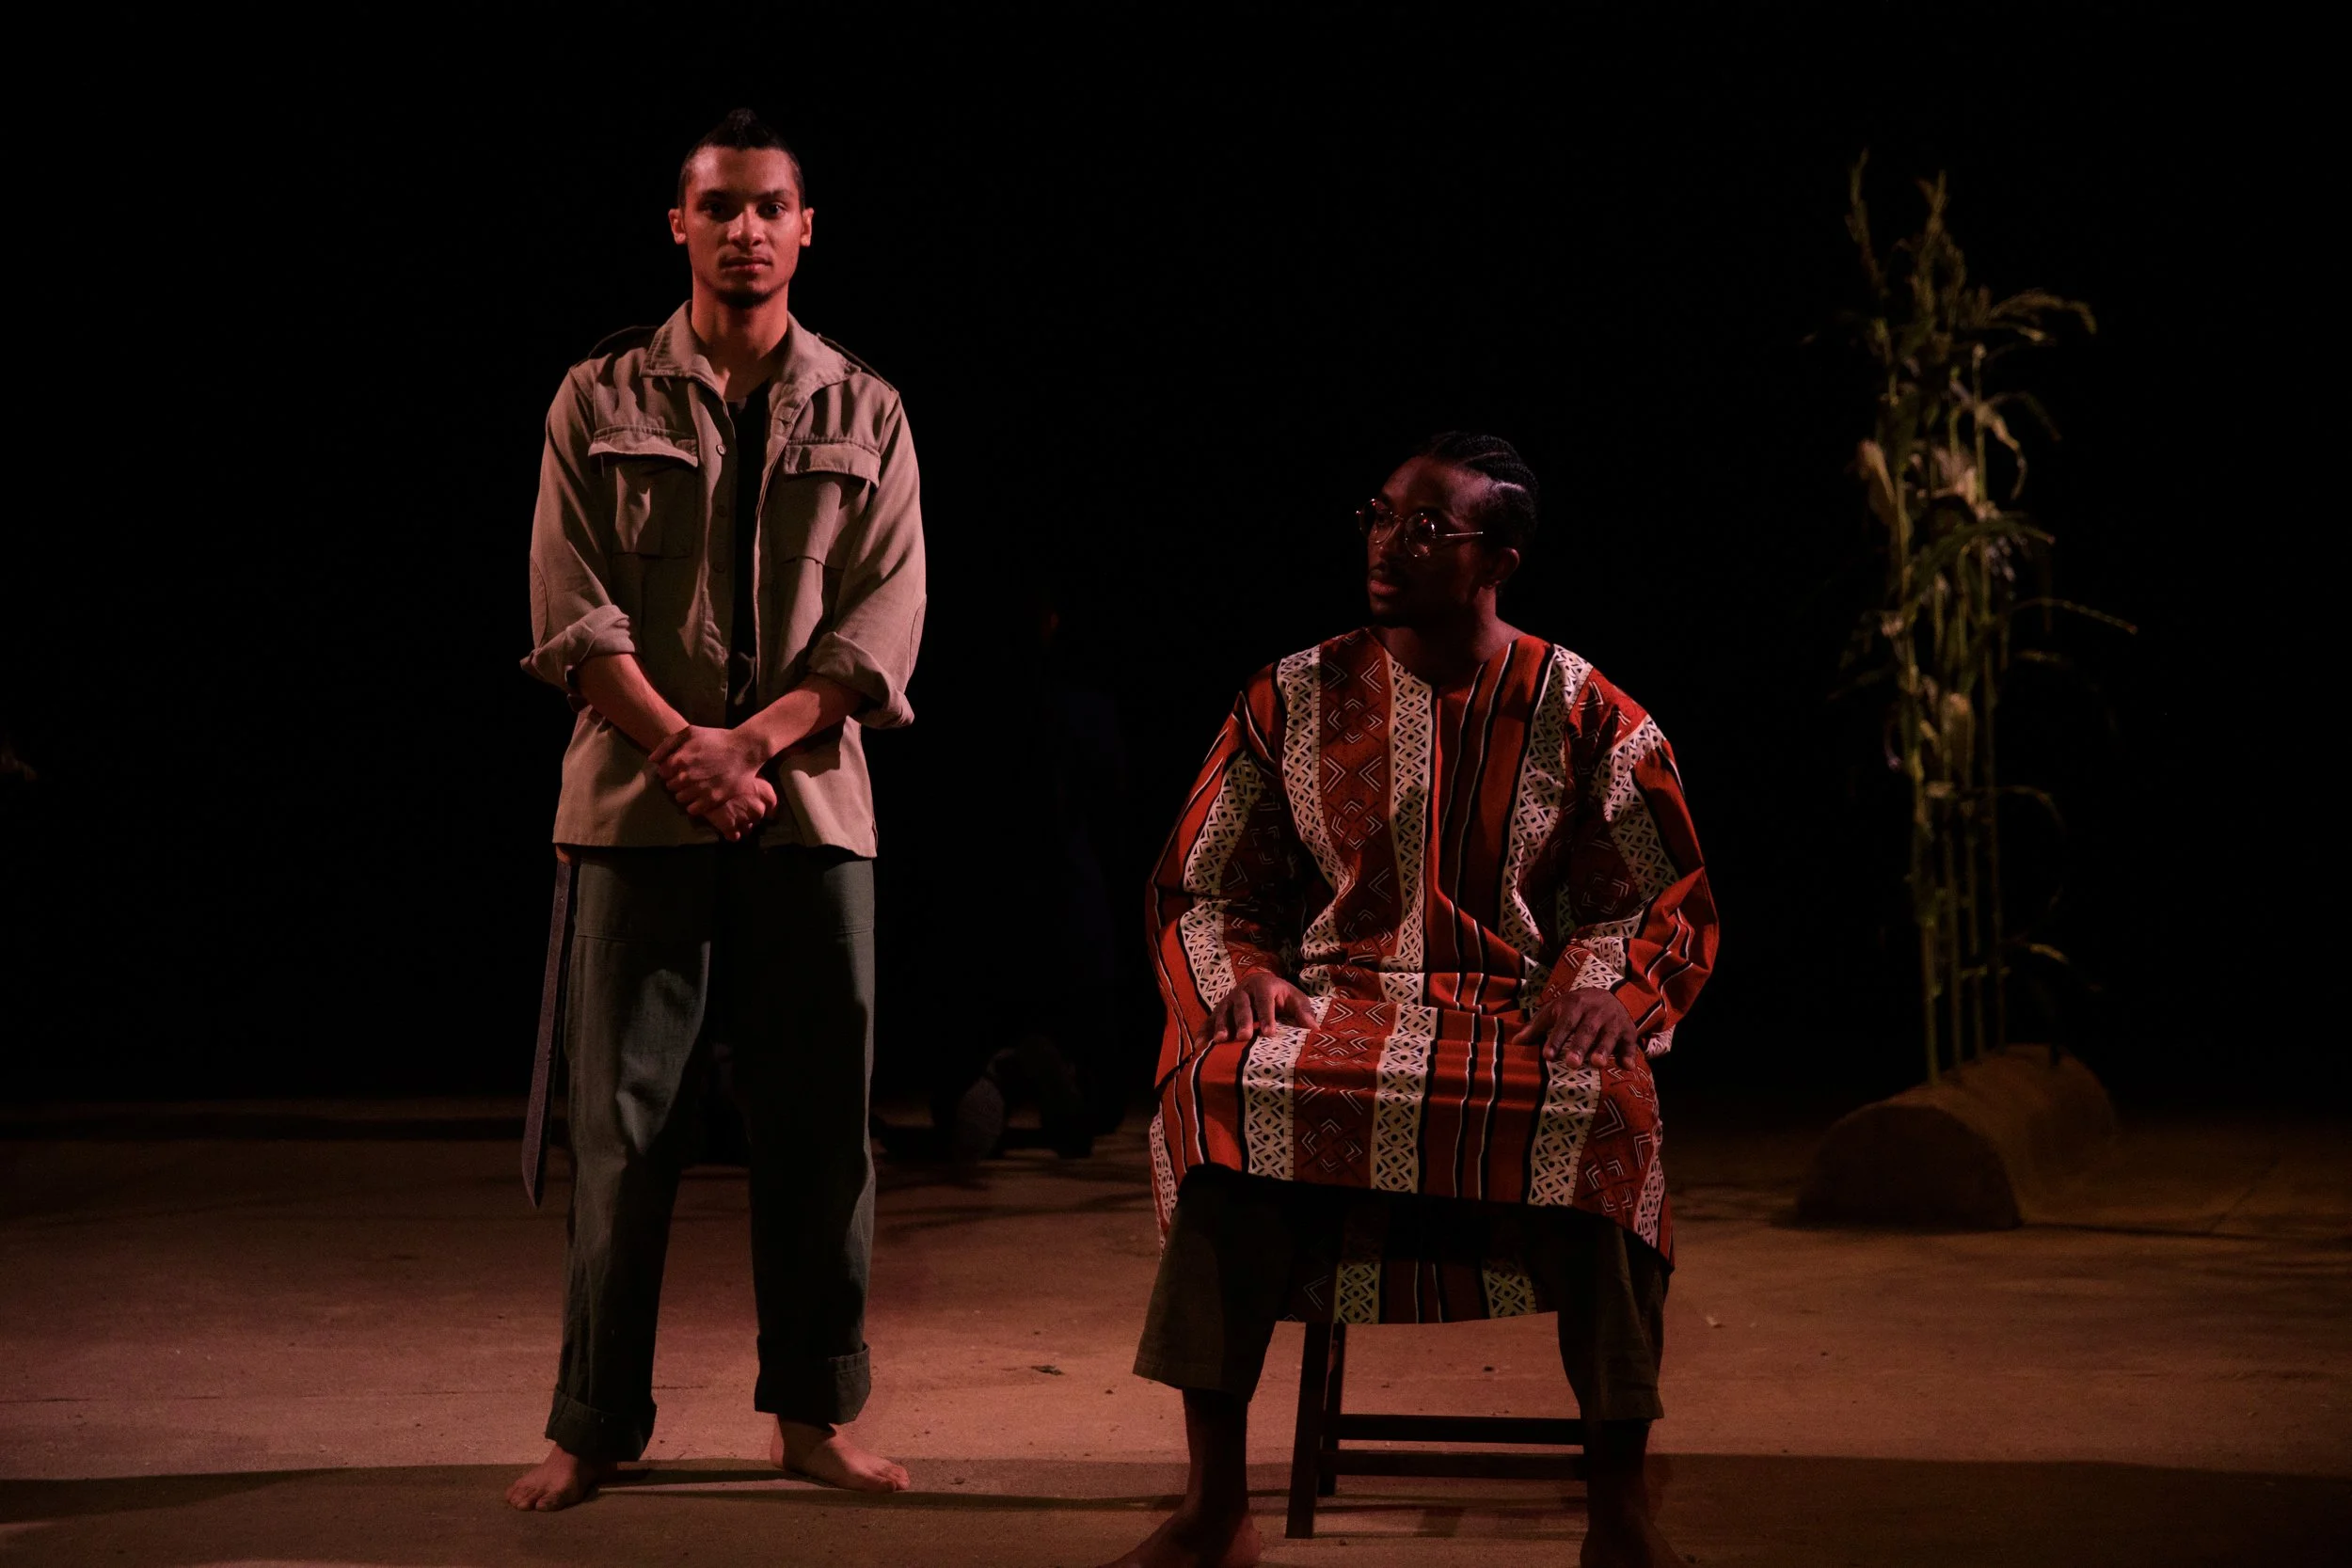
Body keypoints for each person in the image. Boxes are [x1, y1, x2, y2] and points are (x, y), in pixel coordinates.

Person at [1102, 434, 1718, 1568]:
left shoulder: (1588, 710)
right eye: (1379, 515)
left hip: (1514, 1009)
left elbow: (1653, 895)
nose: (1388, 544)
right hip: (1336, 1000)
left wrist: (1605, 991)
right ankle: (1215, 1506)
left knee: (1607, 1112)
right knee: (1220, 1091)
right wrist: (1243, 974)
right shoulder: (1287, 696)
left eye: (1426, 528)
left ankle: (1619, 1512)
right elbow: (1205, 881)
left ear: (1500, 560)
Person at [506, 108, 925, 1512]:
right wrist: (685, 745)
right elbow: (570, 607)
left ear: (807, 228)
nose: (746, 229)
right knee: (623, 1133)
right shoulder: (597, 395)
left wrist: (752, 742)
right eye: (720, 206)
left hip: (810, 813)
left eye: (769, 207)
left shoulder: (866, 408)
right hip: (637, 809)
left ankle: (813, 1412)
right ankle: (592, 1421)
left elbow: (884, 617)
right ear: (677, 223)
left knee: (819, 1128)